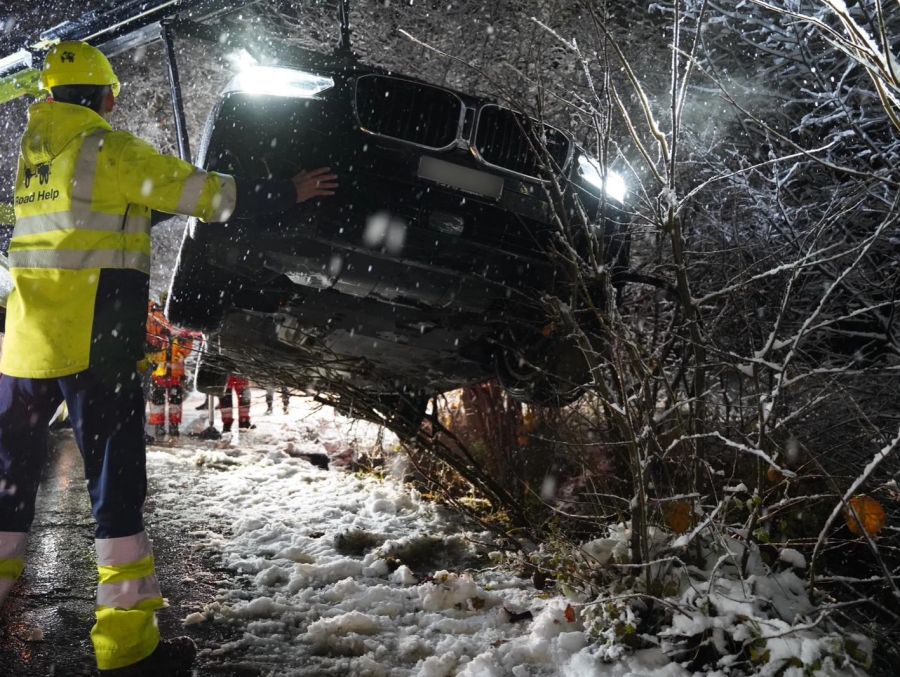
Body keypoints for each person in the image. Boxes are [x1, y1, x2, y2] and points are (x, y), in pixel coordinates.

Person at [0, 41, 336, 676]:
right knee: (115, 495)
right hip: (94, 343)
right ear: (104, 97)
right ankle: (127, 651)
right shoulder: (109, 149)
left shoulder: (34, 156)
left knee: (8, 486)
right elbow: (206, 195)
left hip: (24, 345)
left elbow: (95, 219)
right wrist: (286, 192)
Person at [146, 296, 199, 439]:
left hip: (175, 372)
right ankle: (159, 427)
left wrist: (179, 354)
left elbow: (188, 342)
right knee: (158, 402)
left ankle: (173, 427)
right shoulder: (155, 318)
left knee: (175, 403)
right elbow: (152, 343)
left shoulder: (178, 321)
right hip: (159, 370)